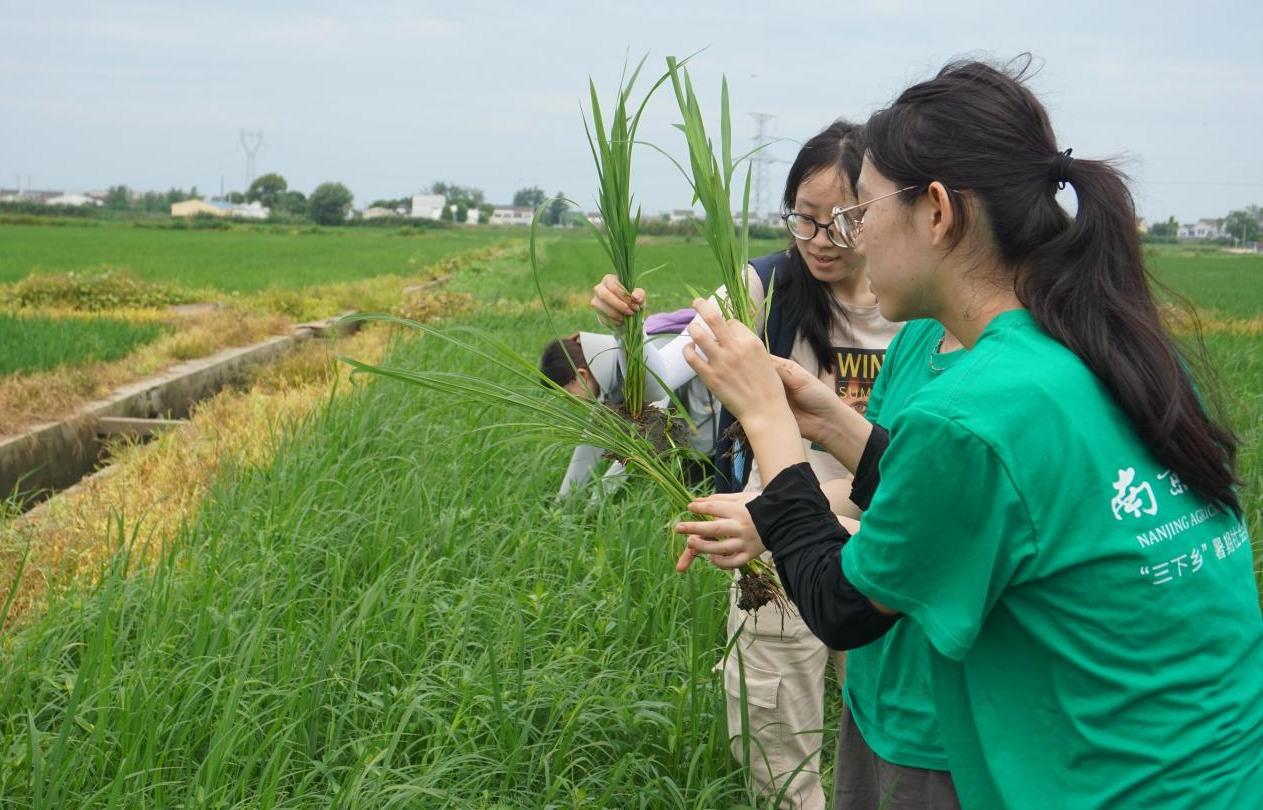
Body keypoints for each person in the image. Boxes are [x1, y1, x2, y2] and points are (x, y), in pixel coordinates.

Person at [676, 58, 1263, 809]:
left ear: (938, 212)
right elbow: (989, 497)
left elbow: (841, 609)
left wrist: (764, 419)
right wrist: (826, 420)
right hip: (1209, 770)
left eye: (859, 212)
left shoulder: (972, 409)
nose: (849, 239)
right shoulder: (1113, 344)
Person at [592, 120, 901, 809]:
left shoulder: (911, 307)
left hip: (884, 532)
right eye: (803, 220)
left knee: (888, 727)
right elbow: (676, 352)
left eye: (839, 225)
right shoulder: (766, 287)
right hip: (776, 539)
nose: (818, 242)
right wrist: (628, 325)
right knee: (771, 731)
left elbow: (923, 459)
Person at [539, 329, 716, 498]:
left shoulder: (636, 367)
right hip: (687, 399)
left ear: (582, 374)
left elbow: (640, 446)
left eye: (569, 396)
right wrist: (562, 501)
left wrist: (594, 505)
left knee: (700, 477)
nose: (572, 403)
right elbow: (592, 439)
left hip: (708, 398)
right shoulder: (605, 368)